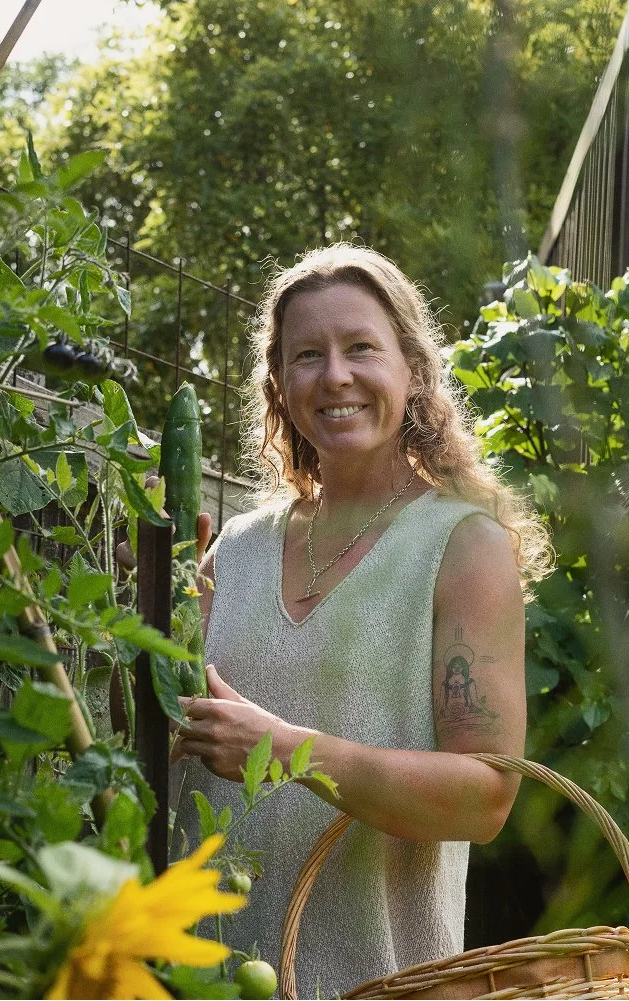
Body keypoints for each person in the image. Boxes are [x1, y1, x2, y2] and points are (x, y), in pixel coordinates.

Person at [172, 243, 553, 999]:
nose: (335, 375)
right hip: (198, 978)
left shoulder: (461, 546)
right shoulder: (233, 551)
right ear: (278, 383)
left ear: (412, 368)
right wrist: (142, 606)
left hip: (377, 984)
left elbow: (486, 797)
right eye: (307, 354)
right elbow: (157, 737)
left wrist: (280, 748)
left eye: (360, 348)